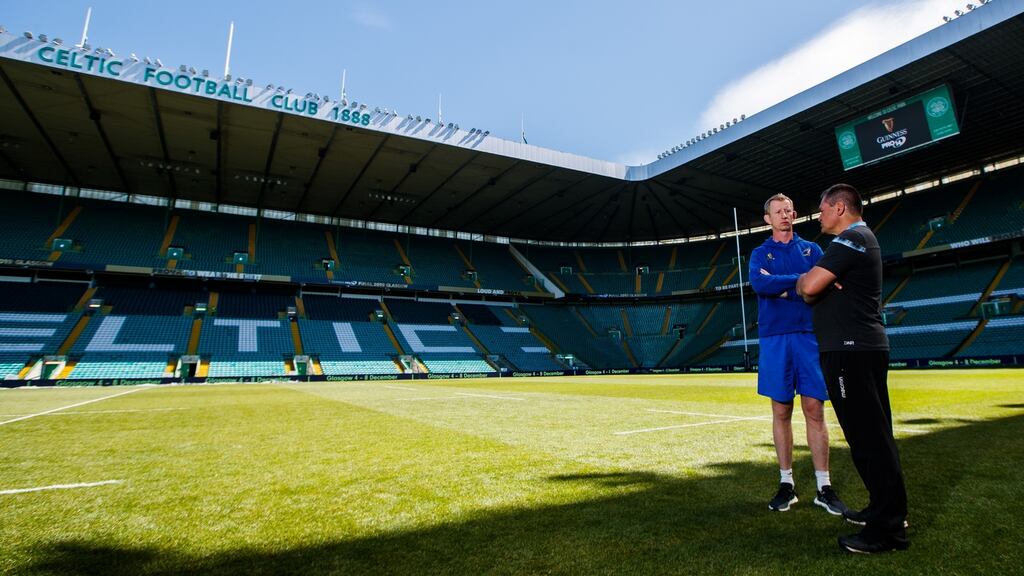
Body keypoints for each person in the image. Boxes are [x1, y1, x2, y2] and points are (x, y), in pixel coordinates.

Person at [796, 183, 909, 554]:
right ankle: (884, 511)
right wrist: (817, 286)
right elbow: (816, 289)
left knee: (868, 440)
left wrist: (807, 282)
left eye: (823, 209)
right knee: (873, 436)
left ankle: (887, 531)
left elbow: (809, 286)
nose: (819, 215)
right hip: (859, 349)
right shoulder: (858, 240)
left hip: (850, 351)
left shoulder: (851, 240)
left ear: (840, 208)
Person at [749, 193, 848, 516]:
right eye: (777, 212)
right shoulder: (760, 253)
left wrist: (783, 286)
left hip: (808, 336)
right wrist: (801, 282)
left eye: (789, 210)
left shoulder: (812, 250)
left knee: (814, 409)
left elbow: (821, 284)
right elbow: (759, 285)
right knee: (781, 411)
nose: (784, 215)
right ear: (768, 219)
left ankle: (824, 486)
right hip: (775, 338)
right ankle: (786, 483)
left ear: (794, 214)